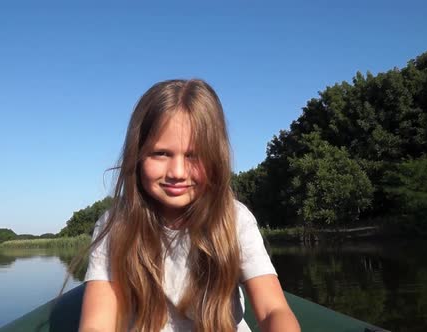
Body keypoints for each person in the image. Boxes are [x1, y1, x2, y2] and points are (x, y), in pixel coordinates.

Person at [77, 79, 300, 332]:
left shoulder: (236, 220)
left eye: (194, 155)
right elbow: (97, 324)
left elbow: (274, 310)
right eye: (161, 153)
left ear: (215, 158)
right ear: (137, 157)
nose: (178, 172)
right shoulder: (115, 224)